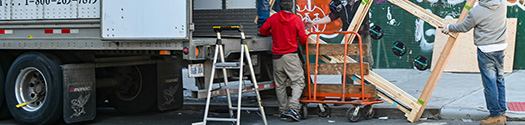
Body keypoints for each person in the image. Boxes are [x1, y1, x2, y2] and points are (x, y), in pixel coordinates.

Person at [439, 0, 507, 124]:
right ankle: (501, 112)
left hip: (486, 50)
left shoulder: (476, 11)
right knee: (499, 80)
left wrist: (448, 27)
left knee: (490, 83)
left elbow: (463, 27)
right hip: (500, 48)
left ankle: (496, 115)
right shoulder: (502, 3)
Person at [259, 0, 307, 122]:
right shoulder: (296, 20)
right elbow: (303, 39)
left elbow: (263, 31)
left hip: (276, 57)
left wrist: (272, 32)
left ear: (279, 6)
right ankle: (294, 108)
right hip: (291, 56)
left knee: (280, 85)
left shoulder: (273, 18)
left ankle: (283, 111)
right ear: (292, 6)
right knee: (298, 82)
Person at [305, 0, 373, 66]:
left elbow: (368, 3)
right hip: (349, 35)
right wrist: (314, 23)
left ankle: (368, 74)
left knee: (366, 58)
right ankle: (348, 77)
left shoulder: (364, 2)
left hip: (363, 35)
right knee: (349, 61)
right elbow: (331, 17)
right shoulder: (342, 4)